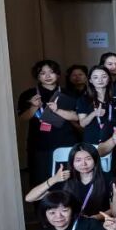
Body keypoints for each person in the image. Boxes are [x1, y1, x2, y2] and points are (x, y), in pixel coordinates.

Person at [17, 60, 81, 189]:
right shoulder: (28, 94)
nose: (47, 76)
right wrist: (34, 107)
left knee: (68, 177)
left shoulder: (69, 93)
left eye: (51, 72)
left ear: (58, 74)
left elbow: (78, 116)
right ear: (37, 76)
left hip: (65, 139)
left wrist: (59, 111)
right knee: (40, 177)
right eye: (42, 73)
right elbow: (22, 118)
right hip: (39, 142)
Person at [25, 143, 111, 218]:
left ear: (95, 160)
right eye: (78, 160)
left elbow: (115, 209)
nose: (83, 164)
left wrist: (96, 218)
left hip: (97, 224)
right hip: (70, 225)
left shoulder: (107, 179)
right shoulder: (64, 179)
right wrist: (53, 179)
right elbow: (29, 198)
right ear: (72, 162)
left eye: (88, 159)